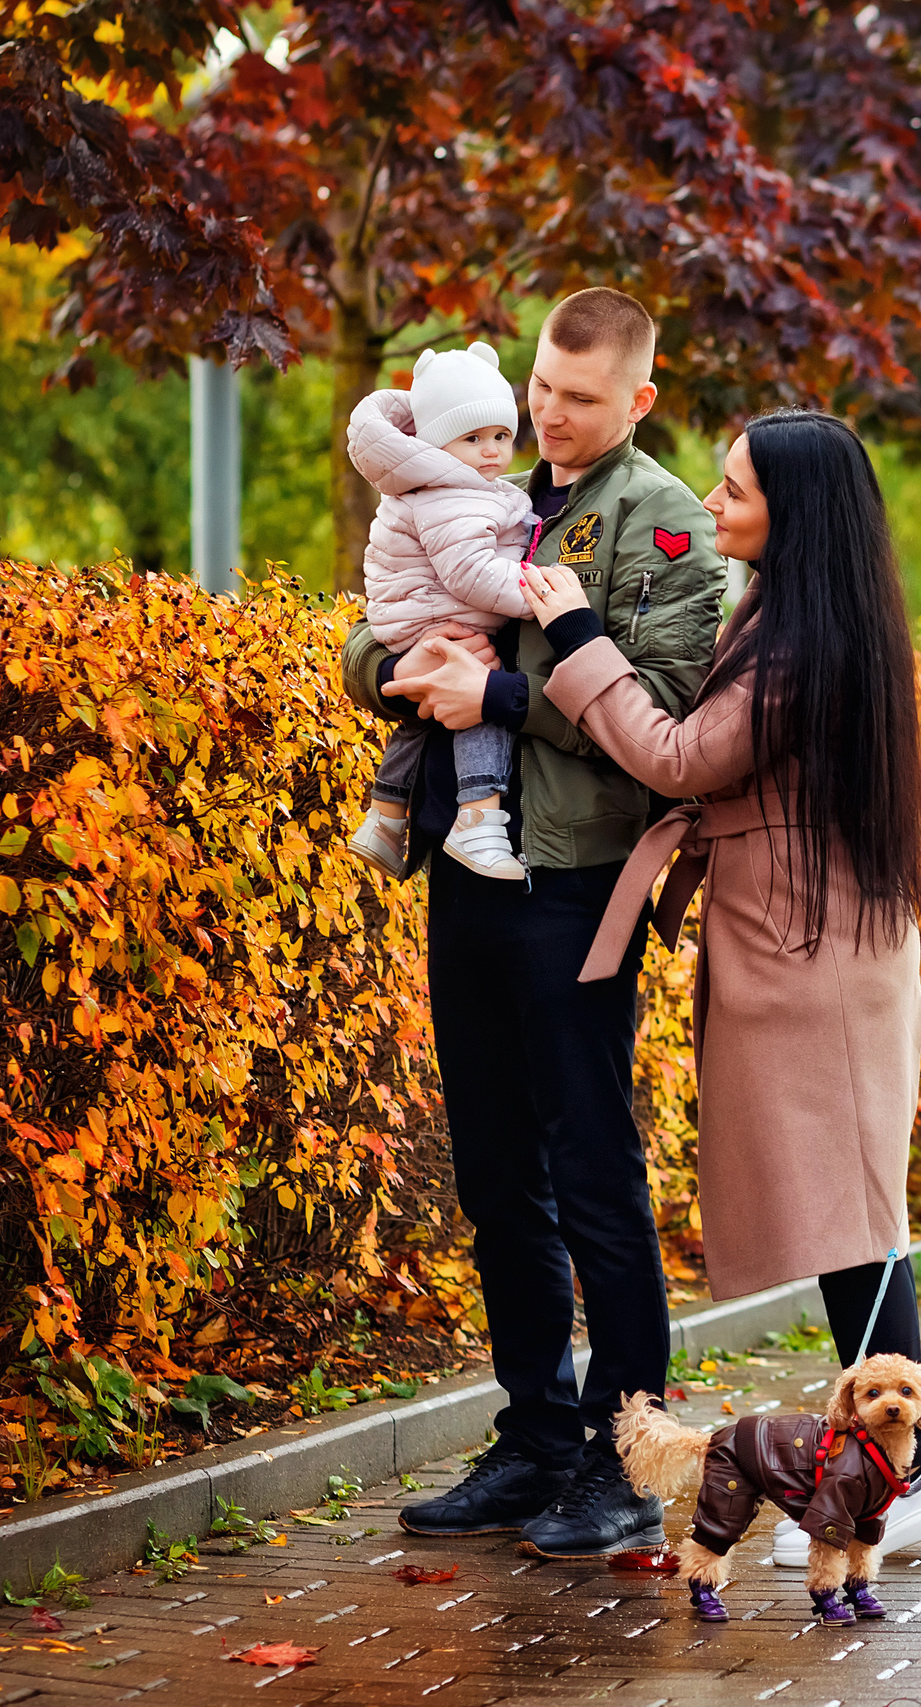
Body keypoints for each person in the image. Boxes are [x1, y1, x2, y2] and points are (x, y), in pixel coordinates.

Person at [419, 408, 921, 1564]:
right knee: (846, 1209)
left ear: (794, 515)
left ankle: (902, 1481)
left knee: (855, 1211)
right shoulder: (799, 617)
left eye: (735, 492)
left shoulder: (809, 642)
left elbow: (677, 755)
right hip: (796, 938)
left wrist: (572, 637)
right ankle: (884, 1475)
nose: (711, 505)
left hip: (815, 953)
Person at [343, 288, 725, 1558]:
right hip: (468, 861)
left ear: (638, 402)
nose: (549, 421)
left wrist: (495, 685)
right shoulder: (472, 474)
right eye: (539, 396)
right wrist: (397, 670)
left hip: (573, 878)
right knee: (496, 1168)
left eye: (578, 400)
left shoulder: (664, 523)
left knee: (590, 1168)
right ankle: (536, 1436)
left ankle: (630, 1449)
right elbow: (379, 628)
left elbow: (666, 719)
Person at [343, 341, 536, 883]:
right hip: (442, 614)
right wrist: (536, 596)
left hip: (413, 617)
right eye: (472, 438)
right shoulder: (455, 493)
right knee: (480, 698)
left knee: (422, 716)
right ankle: (478, 816)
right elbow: (471, 573)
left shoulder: (435, 483)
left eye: (501, 435)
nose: (493, 451)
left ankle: (385, 816)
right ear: (436, 443)